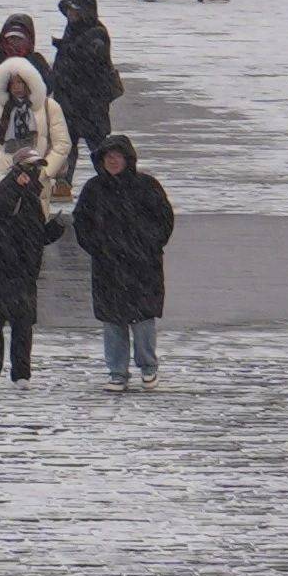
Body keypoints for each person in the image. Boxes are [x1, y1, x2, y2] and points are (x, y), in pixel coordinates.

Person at [71, 135, 175, 389]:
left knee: (143, 321)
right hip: (108, 267)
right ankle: (117, 371)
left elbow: (164, 220)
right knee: (113, 321)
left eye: (117, 157)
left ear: (128, 159)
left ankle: (148, 367)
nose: (113, 161)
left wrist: (148, 245)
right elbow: (81, 223)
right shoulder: (93, 189)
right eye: (108, 157)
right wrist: (98, 247)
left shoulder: (147, 186)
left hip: (143, 265)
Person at [0, 159, 58, 387]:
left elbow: (35, 235)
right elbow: (2, 217)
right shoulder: (10, 190)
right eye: (29, 169)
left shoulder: (32, 196)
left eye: (36, 170)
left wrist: (54, 231)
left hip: (20, 272)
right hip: (0, 270)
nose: (34, 174)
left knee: (21, 325)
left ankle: (21, 374)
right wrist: (17, 187)